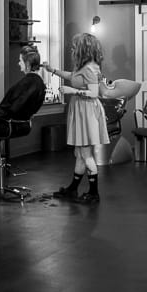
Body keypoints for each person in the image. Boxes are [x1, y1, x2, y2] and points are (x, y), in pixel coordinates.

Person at [43, 33, 108, 203]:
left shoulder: (90, 68)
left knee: (85, 153)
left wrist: (72, 91)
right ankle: (73, 189)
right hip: (81, 109)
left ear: (82, 49)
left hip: (87, 110)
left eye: (74, 47)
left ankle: (94, 193)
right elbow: (72, 76)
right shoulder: (83, 67)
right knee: (79, 152)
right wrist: (53, 70)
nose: (72, 49)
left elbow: (94, 93)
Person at [0, 45, 46, 137]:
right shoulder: (40, 82)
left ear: (27, 64)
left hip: (9, 124)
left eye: (20, 61)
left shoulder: (27, 83)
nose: (19, 63)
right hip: (24, 124)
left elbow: (14, 108)